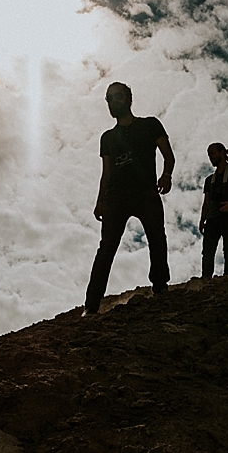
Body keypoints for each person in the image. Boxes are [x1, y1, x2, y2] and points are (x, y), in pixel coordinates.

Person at [83, 82, 175, 315]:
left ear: (128, 98)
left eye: (117, 96)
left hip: (146, 192)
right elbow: (106, 172)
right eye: (108, 99)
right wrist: (100, 200)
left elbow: (168, 155)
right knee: (106, 248)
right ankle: (91, 305)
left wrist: (166, 175)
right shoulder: (107, 137)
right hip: (116, 196)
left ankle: (160, 287)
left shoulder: (150, 124)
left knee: (157, 237)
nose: (112, 102)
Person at [198, 143, 228, 279]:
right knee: (208, 251)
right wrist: (202, 220)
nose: (211, 157)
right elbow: (206, 202)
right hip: (212, 218)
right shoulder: (209, 180)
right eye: (209, 155)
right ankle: (206, 279)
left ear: (222, 153)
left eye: (213, 153)